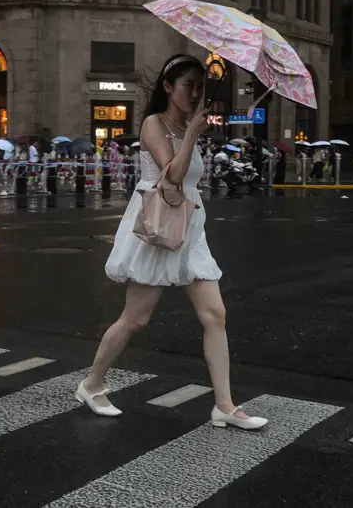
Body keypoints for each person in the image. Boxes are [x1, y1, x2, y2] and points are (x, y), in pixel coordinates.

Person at [77, 54, 267, 431]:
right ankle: (92, 383)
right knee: (136, 319)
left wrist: (192, 132)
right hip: (159, 229)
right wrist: (193, 135)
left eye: (200, 86)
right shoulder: (153, 123)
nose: (196, 93)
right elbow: (173, 176)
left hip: (191, 229)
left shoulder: (185, 125)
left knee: (215, 315)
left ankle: (224, 406)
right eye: (188, 85)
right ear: (168, 86)